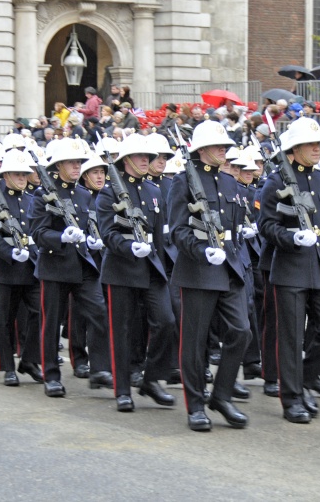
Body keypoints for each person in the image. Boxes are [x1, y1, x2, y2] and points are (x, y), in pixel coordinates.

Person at [258, 117, 320, 424]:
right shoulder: (276, 182)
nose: (317, 148)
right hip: (290, 266)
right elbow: (266, 226)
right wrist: (291, 237)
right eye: (310, 144)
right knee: (291, 337)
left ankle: (305, 378)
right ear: (294, 149)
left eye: (319, 144)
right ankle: (291, 398)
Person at [168, 121, 252, 431]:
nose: (224, 150)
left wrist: (237, 257)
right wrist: (201, 251)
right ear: (201, 150)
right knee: (195, 342)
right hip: (198, 271)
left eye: (226, 147)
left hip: (229, 269)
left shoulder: (230, 184)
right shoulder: (183, 183)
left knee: (241, 332)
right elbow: (177, 231)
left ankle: (222, 395)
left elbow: (235, 229)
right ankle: (196, 406)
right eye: (219, 146)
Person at [96, 134, 177, 412]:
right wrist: (130, 246)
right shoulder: (109, 193)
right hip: (121, 269)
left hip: (152, 268)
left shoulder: (155, 192)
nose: (147, 161)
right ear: (126, 160)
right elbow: (108, 233)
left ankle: (152, 379)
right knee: (122, 331)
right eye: (142, 156)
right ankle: (122, 390)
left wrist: (165, 267)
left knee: (166, 321)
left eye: (149, 157)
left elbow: (160, 236)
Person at [29, 138, 109, 395]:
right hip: (55, 266)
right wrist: (61, 237)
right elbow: (38, 232)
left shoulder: (85, 195)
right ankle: (51, 375)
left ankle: (100, 369)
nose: (77, 167)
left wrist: (94, 239)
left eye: (79, 162)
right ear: (58, 165)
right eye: (71, 162)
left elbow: (89, 226)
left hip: (83, 265)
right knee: (51, 323)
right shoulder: (43, 196)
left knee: (99, 313)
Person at [0, 150, 43, 385]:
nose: (21, 178)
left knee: (39, 313)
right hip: (7, 269)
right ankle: (8, 366)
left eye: (24, 174)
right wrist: (10, 253)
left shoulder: (31, 200)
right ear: (5, 176)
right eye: (16, 174)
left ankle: (29, 360)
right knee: (5, 320)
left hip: (31, 267)